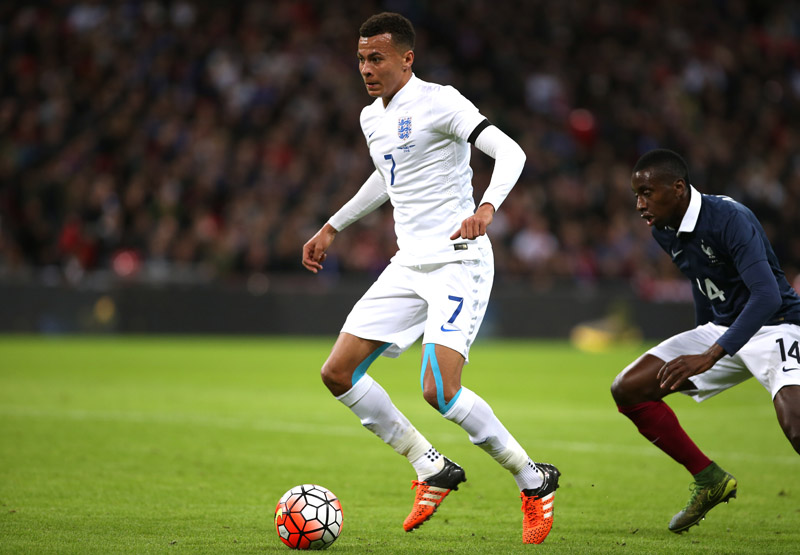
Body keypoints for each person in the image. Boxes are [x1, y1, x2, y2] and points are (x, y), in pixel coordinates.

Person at [302, 12, 559, 545]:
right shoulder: (371, 118)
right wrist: (332, 226)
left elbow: (511, 151)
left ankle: (534, 481)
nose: (366, 68)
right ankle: (430, 466)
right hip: (408, 263)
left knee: (438, 390)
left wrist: (487, 208)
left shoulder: (442, 101)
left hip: (457, 261)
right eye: (361, 59)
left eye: (376, 58)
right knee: (337, 372)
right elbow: (385, 176)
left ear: (406, 58)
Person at [611, 148, 800, 533]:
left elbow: (767, 295)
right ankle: (709, 480)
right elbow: (702, 282)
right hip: (723, 329)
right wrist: (699, 338)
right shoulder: (663, 228)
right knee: (628, 388)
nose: (639, 204)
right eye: (636, 195)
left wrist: (710, 356)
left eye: (647, 192)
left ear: (678, 188)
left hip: (776, 323)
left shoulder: (729, 217)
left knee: (796, 423)